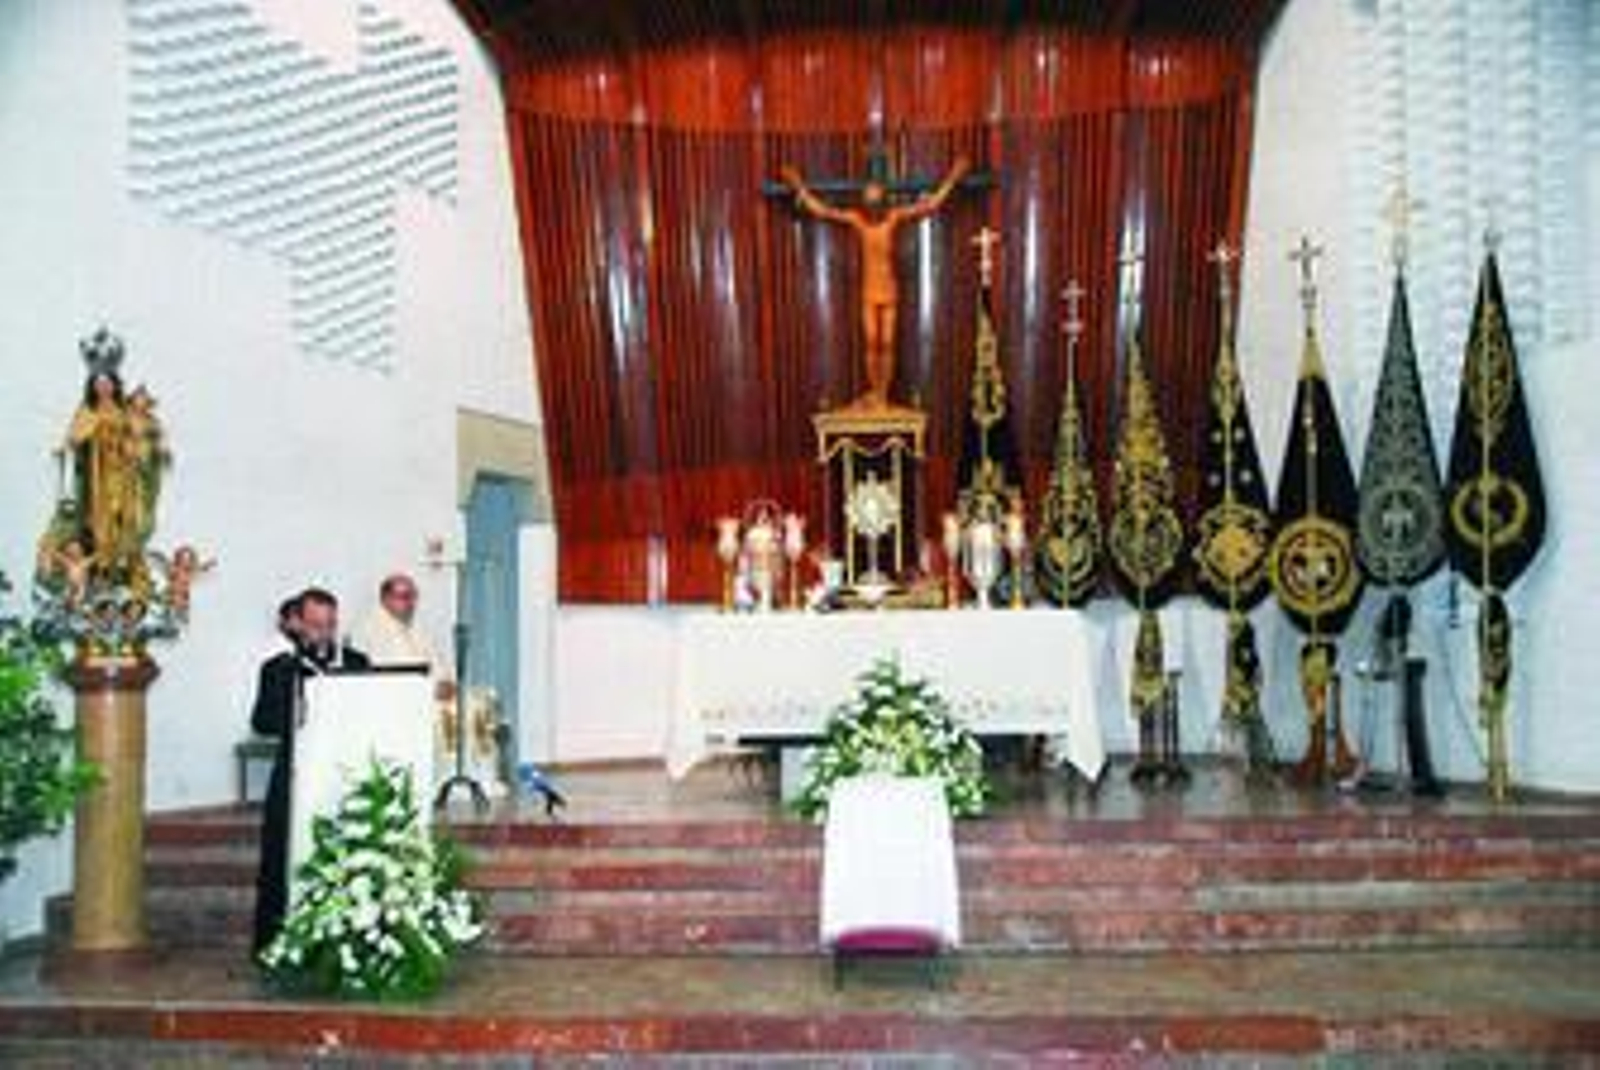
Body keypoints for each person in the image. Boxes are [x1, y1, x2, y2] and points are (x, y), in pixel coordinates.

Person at [779, 156, 970, 409]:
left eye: (877, 200)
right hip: (869, 291)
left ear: (882, 202)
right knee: (871, 342)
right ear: (865, 204)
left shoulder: (893, 219)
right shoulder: (858, 222)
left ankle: (882, 394)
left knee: (888, 343)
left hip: (889, 289)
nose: (874, 206)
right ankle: (875, 391)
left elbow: (931, 205)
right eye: (870, 201)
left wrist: (952, 178)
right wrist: (799, 186)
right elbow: (823, 211)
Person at [249, 587, 370, 956]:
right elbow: (261, 722)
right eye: (316, 625)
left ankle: (347, 944)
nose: (323, 633)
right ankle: (277, 944)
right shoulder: (278, 669)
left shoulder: (357, 662)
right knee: (281, 859)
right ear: (298, 624)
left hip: (345, 774)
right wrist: (293, 710)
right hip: (294, 778)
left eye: (330, 625)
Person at [353, 572, 455, 701]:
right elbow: (383, 676)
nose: (411, 603)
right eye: (404, 596)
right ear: (385, 599)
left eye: (413, 596)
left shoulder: (421, 628)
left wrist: (446, 683)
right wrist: (430, 688)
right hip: (392, 704)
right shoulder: (367, 630)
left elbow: (440, 668)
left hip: (427, 702)